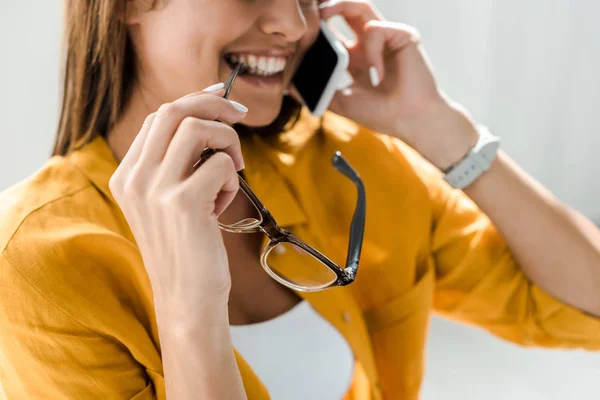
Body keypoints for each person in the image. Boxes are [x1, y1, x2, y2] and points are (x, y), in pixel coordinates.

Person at [1, 0, 599, 399]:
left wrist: (444, 131)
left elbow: (588, 307)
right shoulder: (35, 265)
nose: (292, 22)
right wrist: (189, 308)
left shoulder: (353, 165)